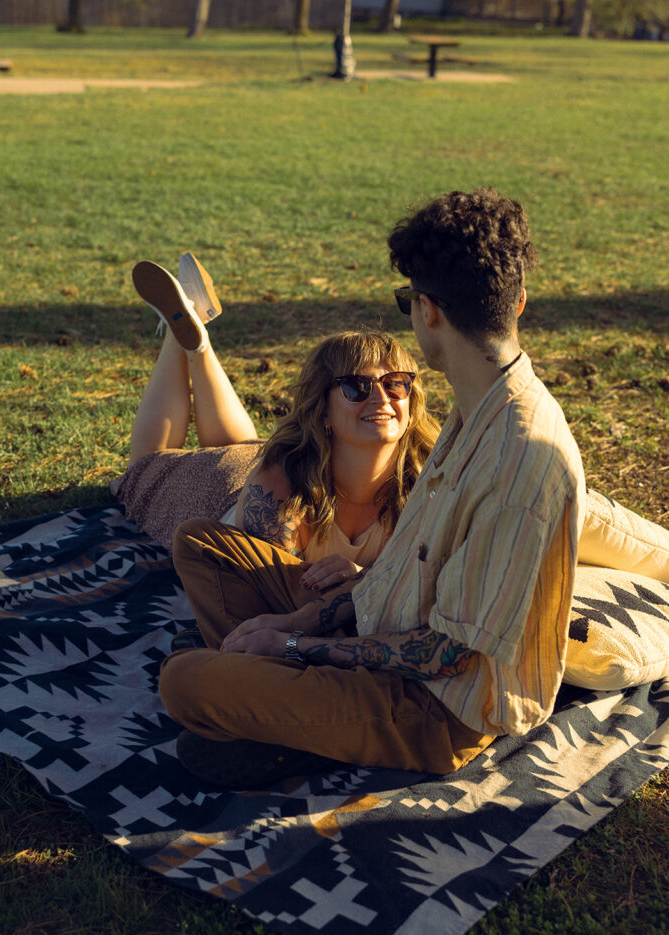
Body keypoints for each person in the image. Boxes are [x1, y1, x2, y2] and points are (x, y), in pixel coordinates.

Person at [159, 187, 588, 788]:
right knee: (203, 547)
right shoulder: (478, 410)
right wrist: (306, 618)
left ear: (427, 310)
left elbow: (447, 655)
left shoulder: (519, 458)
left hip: (434, 707)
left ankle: (284, 722)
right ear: (517, 302)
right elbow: (399, 578)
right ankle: (277, 711)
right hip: (380, 626)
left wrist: (293, 647)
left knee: (185, 680)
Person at [113, 256, 440, 592]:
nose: (382, 398)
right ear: (321, 409)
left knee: (242, 447)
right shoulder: (277, 497)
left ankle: (194, 333)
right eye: (356, 386)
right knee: (146, 465)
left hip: (258, 457)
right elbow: (283, 600)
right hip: (214, 494)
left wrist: (359, 574)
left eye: (396, 383)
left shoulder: (430, 479)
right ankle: (178, 332)